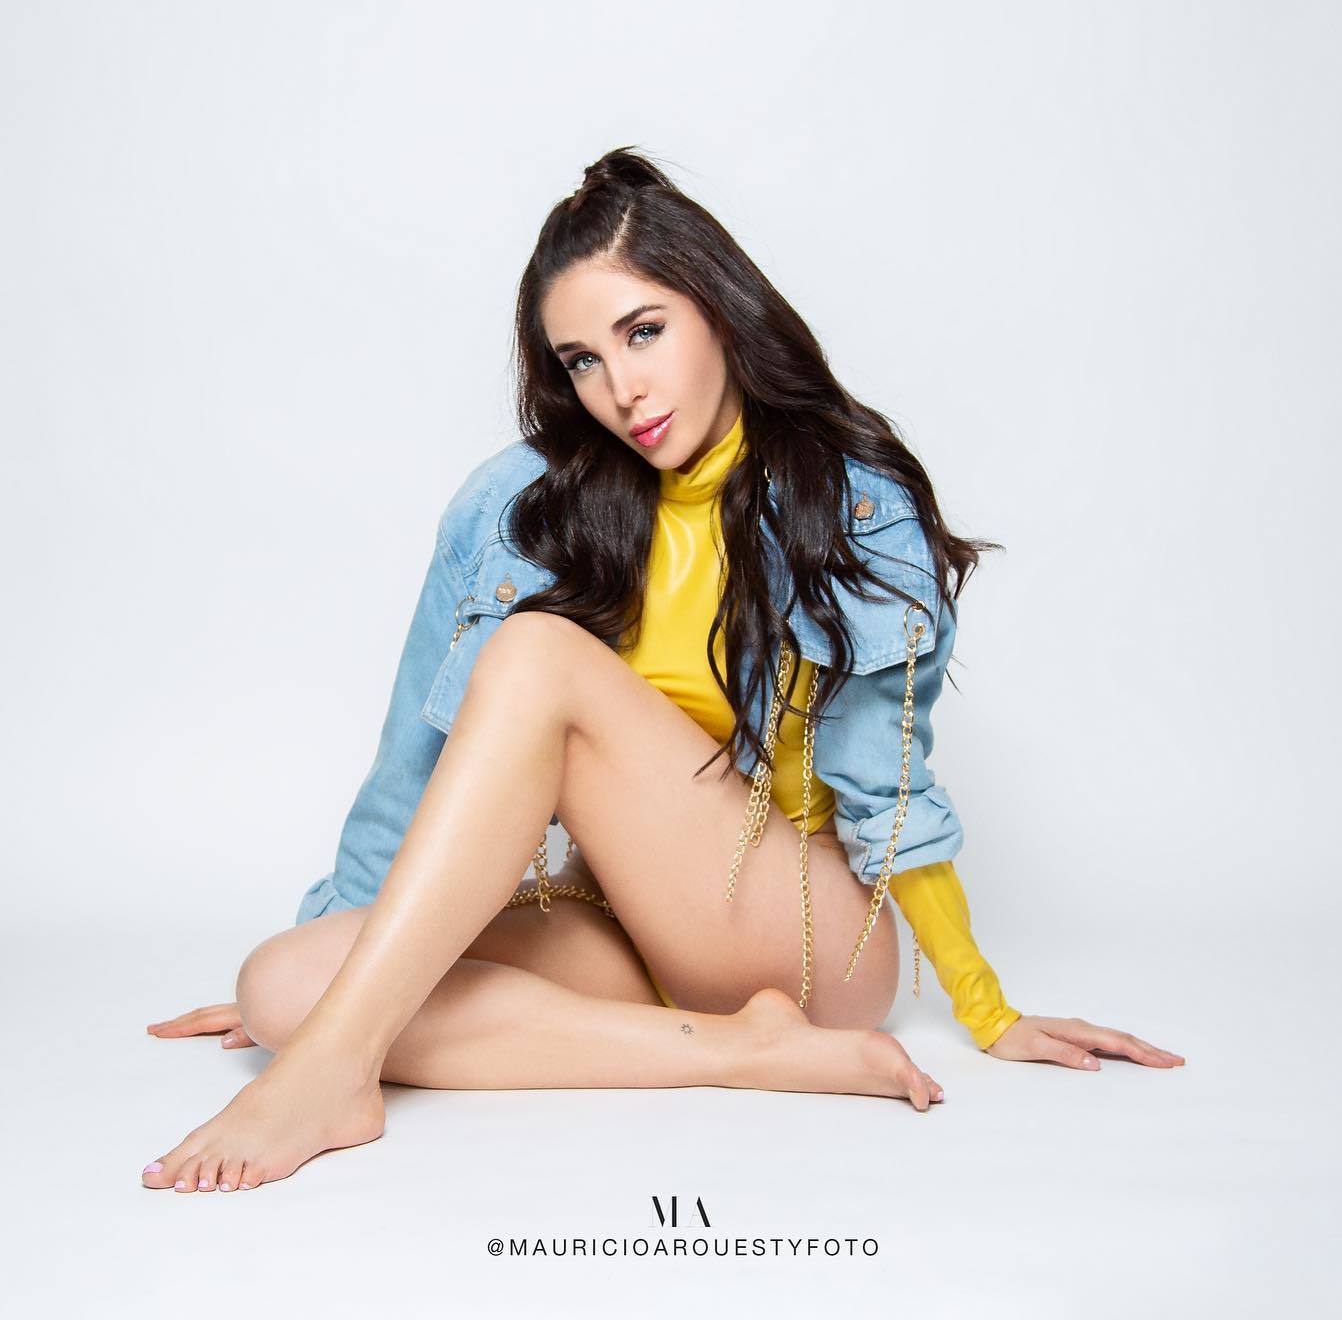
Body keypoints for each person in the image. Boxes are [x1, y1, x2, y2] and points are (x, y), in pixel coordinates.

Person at [142, 147, 1184, 1195]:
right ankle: (741, 1052)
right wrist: (350, 961)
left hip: (803, 933)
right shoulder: (519, 505)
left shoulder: (849, 500)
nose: (621, 388)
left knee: (537, 653)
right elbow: (412, 757)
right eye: (582, 361)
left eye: (643, 332)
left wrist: (988, 1009)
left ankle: (330, 1075)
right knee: (282, 988)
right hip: (627, 921)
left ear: (717, 309)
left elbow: (890, 785)